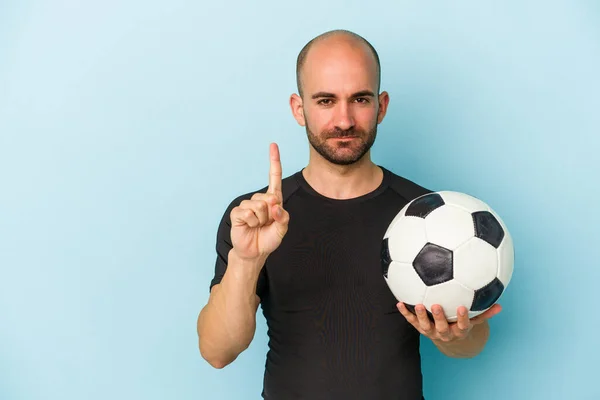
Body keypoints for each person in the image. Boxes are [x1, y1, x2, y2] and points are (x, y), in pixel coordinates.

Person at [196, 29, 502, 400]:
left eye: (359, 99)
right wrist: (247, 260)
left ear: (382, 105)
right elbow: (217, 352)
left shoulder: (430, 214)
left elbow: (470, 344)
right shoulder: (254, 218)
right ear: (299, 108)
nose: (344, 120)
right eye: (325, 100)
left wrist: (456, 335)